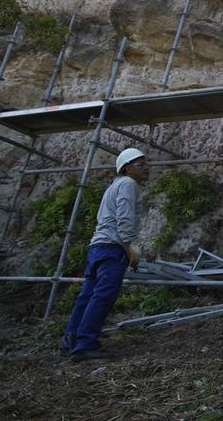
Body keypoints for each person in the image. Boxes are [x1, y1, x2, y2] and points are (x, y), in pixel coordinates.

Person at [60, 147, 148, 361]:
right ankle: (85, 344)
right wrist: (131, 250)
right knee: (103, 296)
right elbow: (125, 218)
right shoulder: (128, 184)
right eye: (141, 165)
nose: (147, 168)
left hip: (97, 247)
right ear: (127, 168)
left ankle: (70, 340)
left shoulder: (114, 186)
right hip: (112, 248)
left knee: (87, 295)